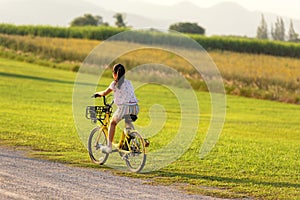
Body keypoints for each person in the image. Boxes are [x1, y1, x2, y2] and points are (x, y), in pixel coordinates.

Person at [93, 63, 139, 154]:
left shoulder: (114, 84)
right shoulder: (129, 82)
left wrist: (97, 94)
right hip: (135, 107)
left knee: (113, 123)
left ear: (114, 73)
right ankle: (130, 142)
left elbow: (105, 93)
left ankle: (109, 147)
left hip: (124, 108)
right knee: (128, 123)